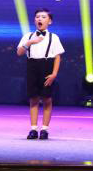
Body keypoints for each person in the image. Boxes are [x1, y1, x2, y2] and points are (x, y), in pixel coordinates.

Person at [17, 8, 64, 140]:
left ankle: (44, 129)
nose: (40, 19)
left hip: (47, 66)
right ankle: (33, 129)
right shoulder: (28, 36)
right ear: (34, 20)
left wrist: (54, 74)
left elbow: (57, 57)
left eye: (43, 17)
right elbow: (19, 52)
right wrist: (30, 42)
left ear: (50, 21)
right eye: (37, 16)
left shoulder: (53, 37)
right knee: (33, 99)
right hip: (32, 66)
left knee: (47, 99)